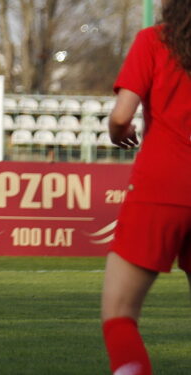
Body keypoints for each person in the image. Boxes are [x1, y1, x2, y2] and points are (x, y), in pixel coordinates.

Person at [100, 1, 191, 374]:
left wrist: (120, 133)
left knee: (119, 314)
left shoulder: (156, 39)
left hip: (162, 186)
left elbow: (122, 116)